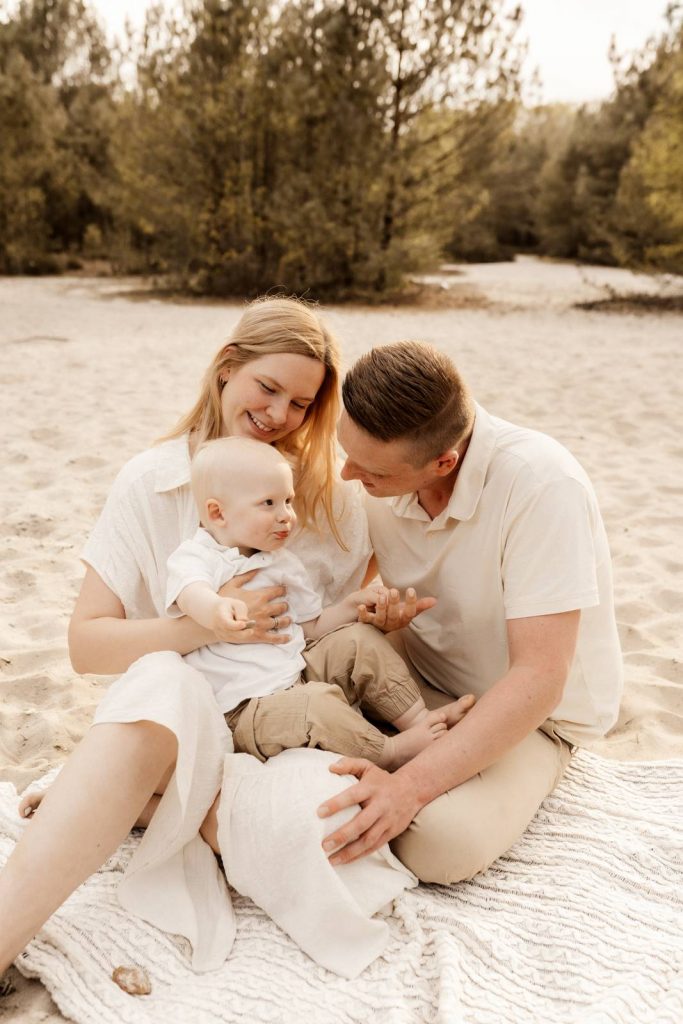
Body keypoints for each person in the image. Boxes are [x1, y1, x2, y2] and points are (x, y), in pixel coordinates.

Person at [0, 296, 400, 972]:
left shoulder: (323, 498)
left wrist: (372, 612)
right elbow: (86, 643)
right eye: (266, 387)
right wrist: (202, 625)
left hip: (275, 719)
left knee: (329, 829)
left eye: (301, 403)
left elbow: (334, 632)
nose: (278, 414)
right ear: (226, 368)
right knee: (164, 679)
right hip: (175, 704)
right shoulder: (151, 481)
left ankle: (140, 795)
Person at [316, 340, 624, 883]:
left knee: (440, 843)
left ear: (444, 461)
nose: (347, 476)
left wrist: (408, 787)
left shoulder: (542, 484)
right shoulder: (375, 473)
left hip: (532, 716)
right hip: (415, 680)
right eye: (347, 453)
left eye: (371, 472)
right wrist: (374, 617)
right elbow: (334, 602)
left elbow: (540, 677)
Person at [164, 436, 472, 770]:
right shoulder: (200, 555)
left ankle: (419, 720)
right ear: (218, 513)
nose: (286, 516)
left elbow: (311, 627)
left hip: (296, 671)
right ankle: (391, 751)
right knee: (315, 706)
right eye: (268, 503)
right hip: (244, 708)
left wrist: (351, 607)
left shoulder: (281, 562)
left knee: (358, 640)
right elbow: (189, 589)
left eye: (288, 501)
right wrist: (214, 610)